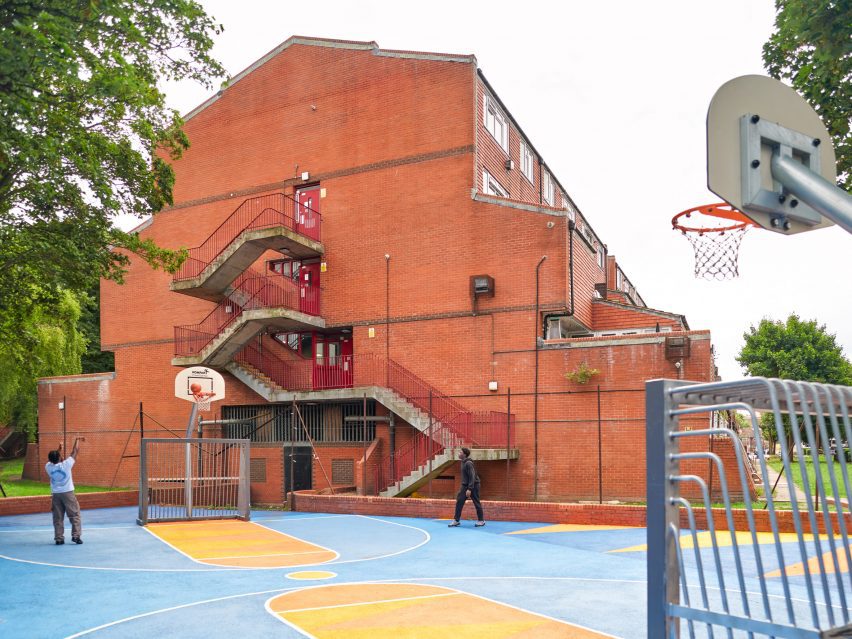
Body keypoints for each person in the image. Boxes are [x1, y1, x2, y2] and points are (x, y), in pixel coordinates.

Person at [45, 437, 84, 545]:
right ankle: (76, 536)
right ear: (59, 457)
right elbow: (75, 451)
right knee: (75, 515)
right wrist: (77, 439)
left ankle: (59, 538)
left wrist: (59, 448)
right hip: (68, 493)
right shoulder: (66, 465)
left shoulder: (48, 466)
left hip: (56, 495)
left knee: (58, 517)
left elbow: (54, 458)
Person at [448, 447, 485, 527]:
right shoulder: (462, 462)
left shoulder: (468, 463)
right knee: (459, 501)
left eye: (460, 452)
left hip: (473, 485)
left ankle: (481, 521)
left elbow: (472, 476)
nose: (458, 453)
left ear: (464, 454)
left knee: (476, 502)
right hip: (465, 485)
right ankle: (456, 520)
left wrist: (469, 489)